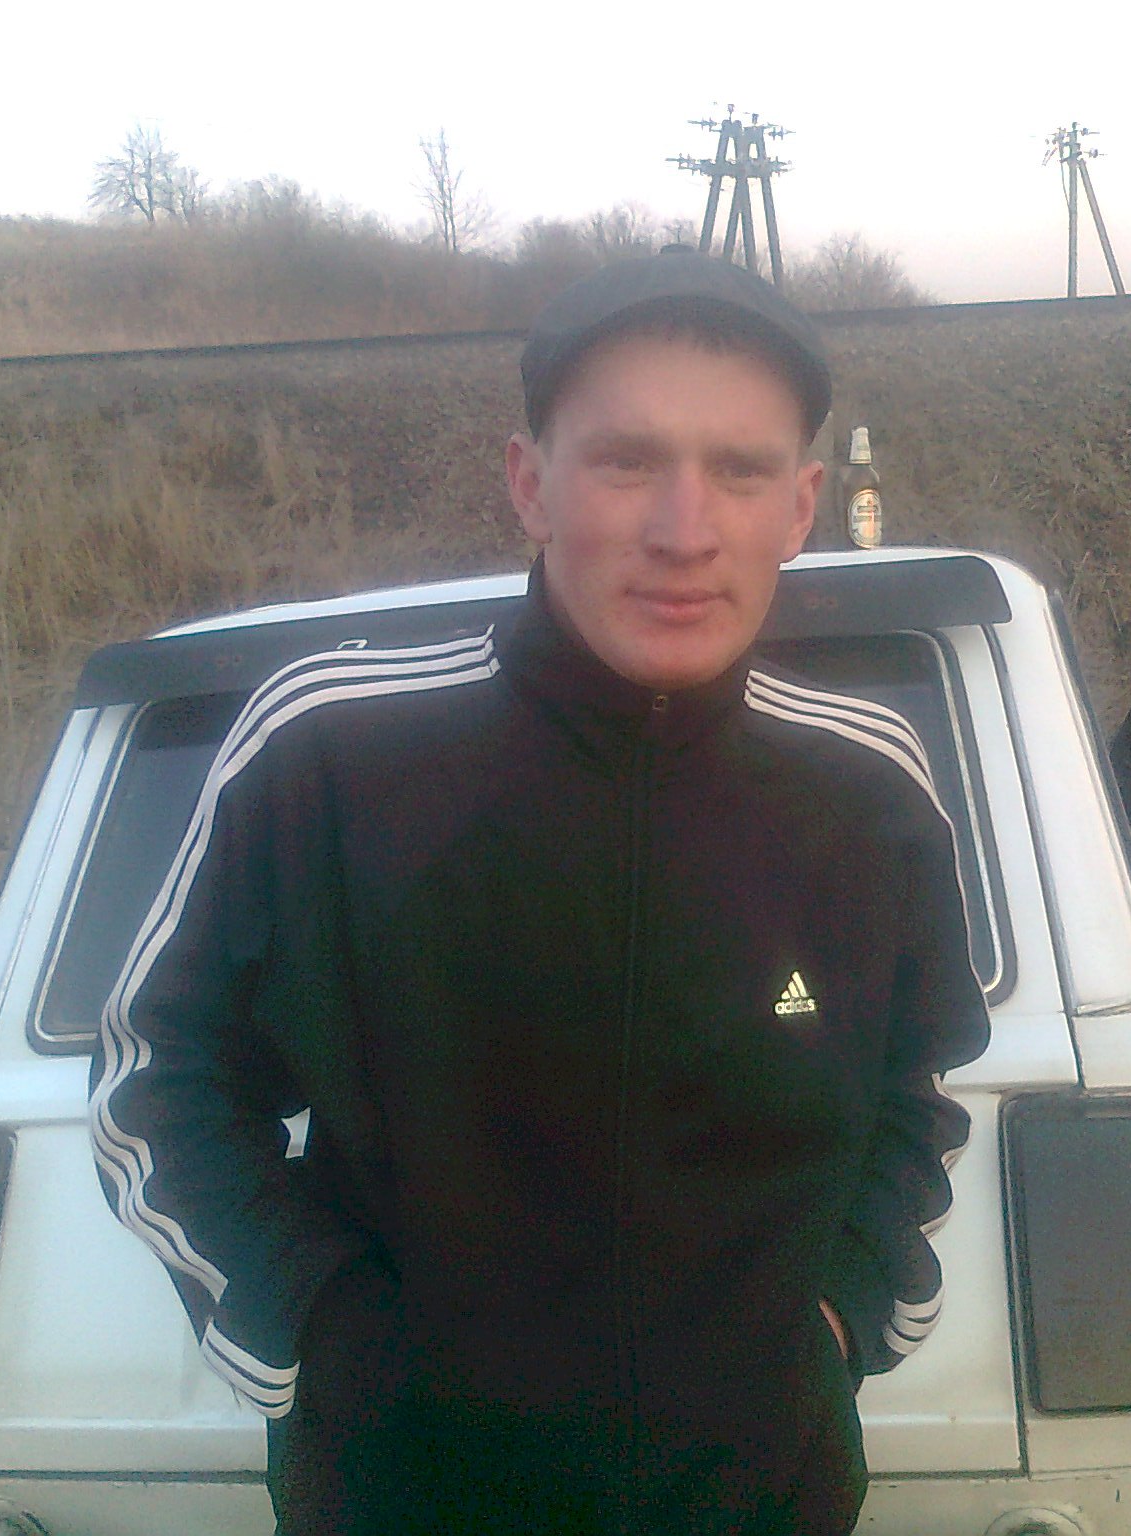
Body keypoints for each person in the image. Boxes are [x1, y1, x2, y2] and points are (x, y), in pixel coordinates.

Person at [89, 248, 991, 1535]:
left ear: (799, 506)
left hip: (762, 1503)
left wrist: (838, 1323)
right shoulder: (328, 751)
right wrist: (326, 1335)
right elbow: (156, 1072)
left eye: (739, 471)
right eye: (626, 461)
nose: (683, 530)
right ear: (530, 484)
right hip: (402, 1501)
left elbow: (921, 1087)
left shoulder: (869, 789)